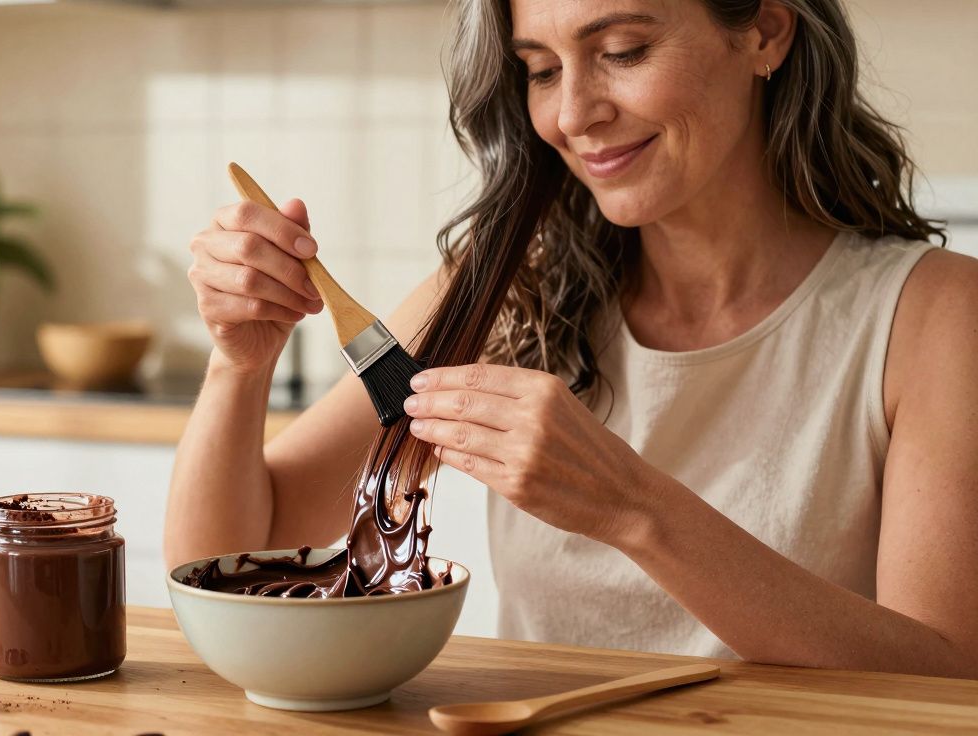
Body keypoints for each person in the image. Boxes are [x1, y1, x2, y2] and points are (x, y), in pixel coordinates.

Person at [163, 0, 978, 678]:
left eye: (623, 50)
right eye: (542, 70)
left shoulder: (933, 317)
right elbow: (226, 564)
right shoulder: (501, 295)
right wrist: (240, 365)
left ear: (765, 29)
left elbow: (949, 677)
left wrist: (633, 508)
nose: (572, 113)